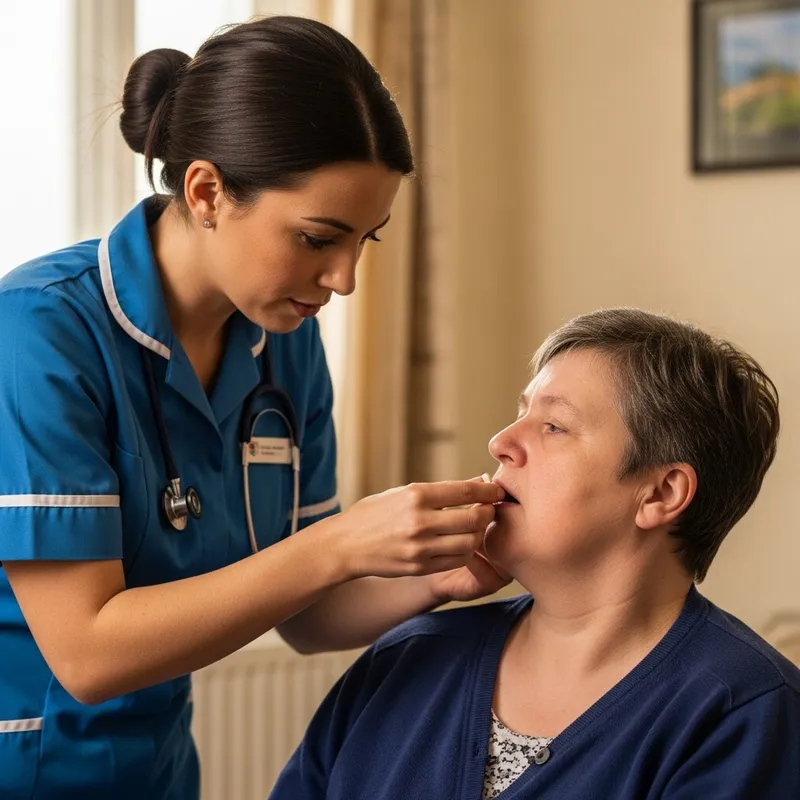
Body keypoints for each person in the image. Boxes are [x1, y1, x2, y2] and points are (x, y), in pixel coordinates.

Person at [0, 16, 508, 800]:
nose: (343, 280)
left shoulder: (286, 344)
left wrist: (437, 577)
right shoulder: (39, 330)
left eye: (365, 241)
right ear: (206, 192)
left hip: (156, 776)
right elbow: (88, 655)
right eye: (316, 238)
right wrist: (340, 543)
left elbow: (309, 616)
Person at [270, 308, 800, 800]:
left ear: (661, 494)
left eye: (554, 426)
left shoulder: (744, 712)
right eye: (520, 413)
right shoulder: (406, 658)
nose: (500, 441)